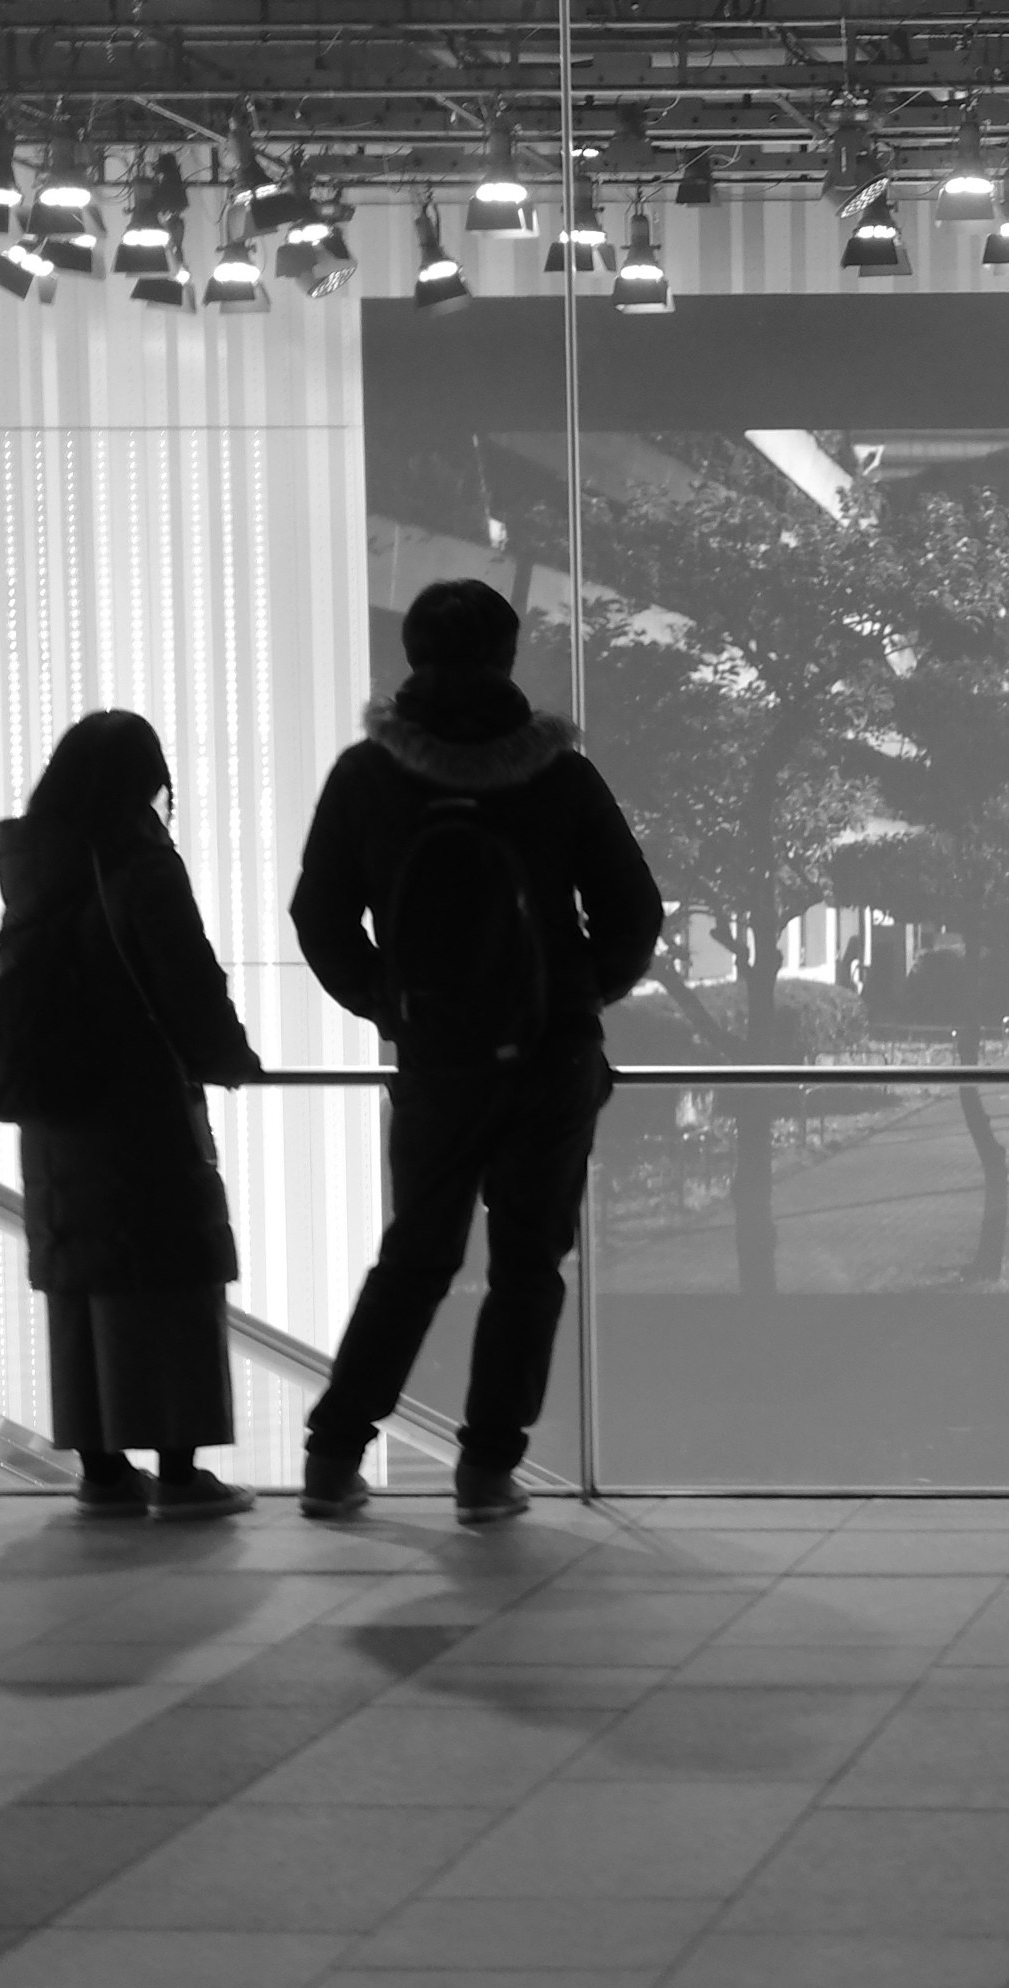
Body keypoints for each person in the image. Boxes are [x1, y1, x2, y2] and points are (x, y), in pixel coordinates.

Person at [289, 580, 664, 1524]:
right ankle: (486, 1473)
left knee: (415, 1256)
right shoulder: (559, 775)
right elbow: (634, 909)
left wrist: (395, 1005)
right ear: (508, 653)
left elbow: (321, 918)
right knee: (526, 1267)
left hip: (437, 1064)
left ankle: (334, 1459)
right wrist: (575, 998)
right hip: (550, 1060)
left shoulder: (367, 774)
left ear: (411, 653)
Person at [0, 711, 265, 1522]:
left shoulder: (35, 861)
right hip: (137, 1101)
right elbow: (186, 974)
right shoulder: (142, 862)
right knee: (170, 1273)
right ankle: (179, 1471)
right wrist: (227, 1057)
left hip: (53, 1109)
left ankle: (103, 1470)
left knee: (79, 1278)